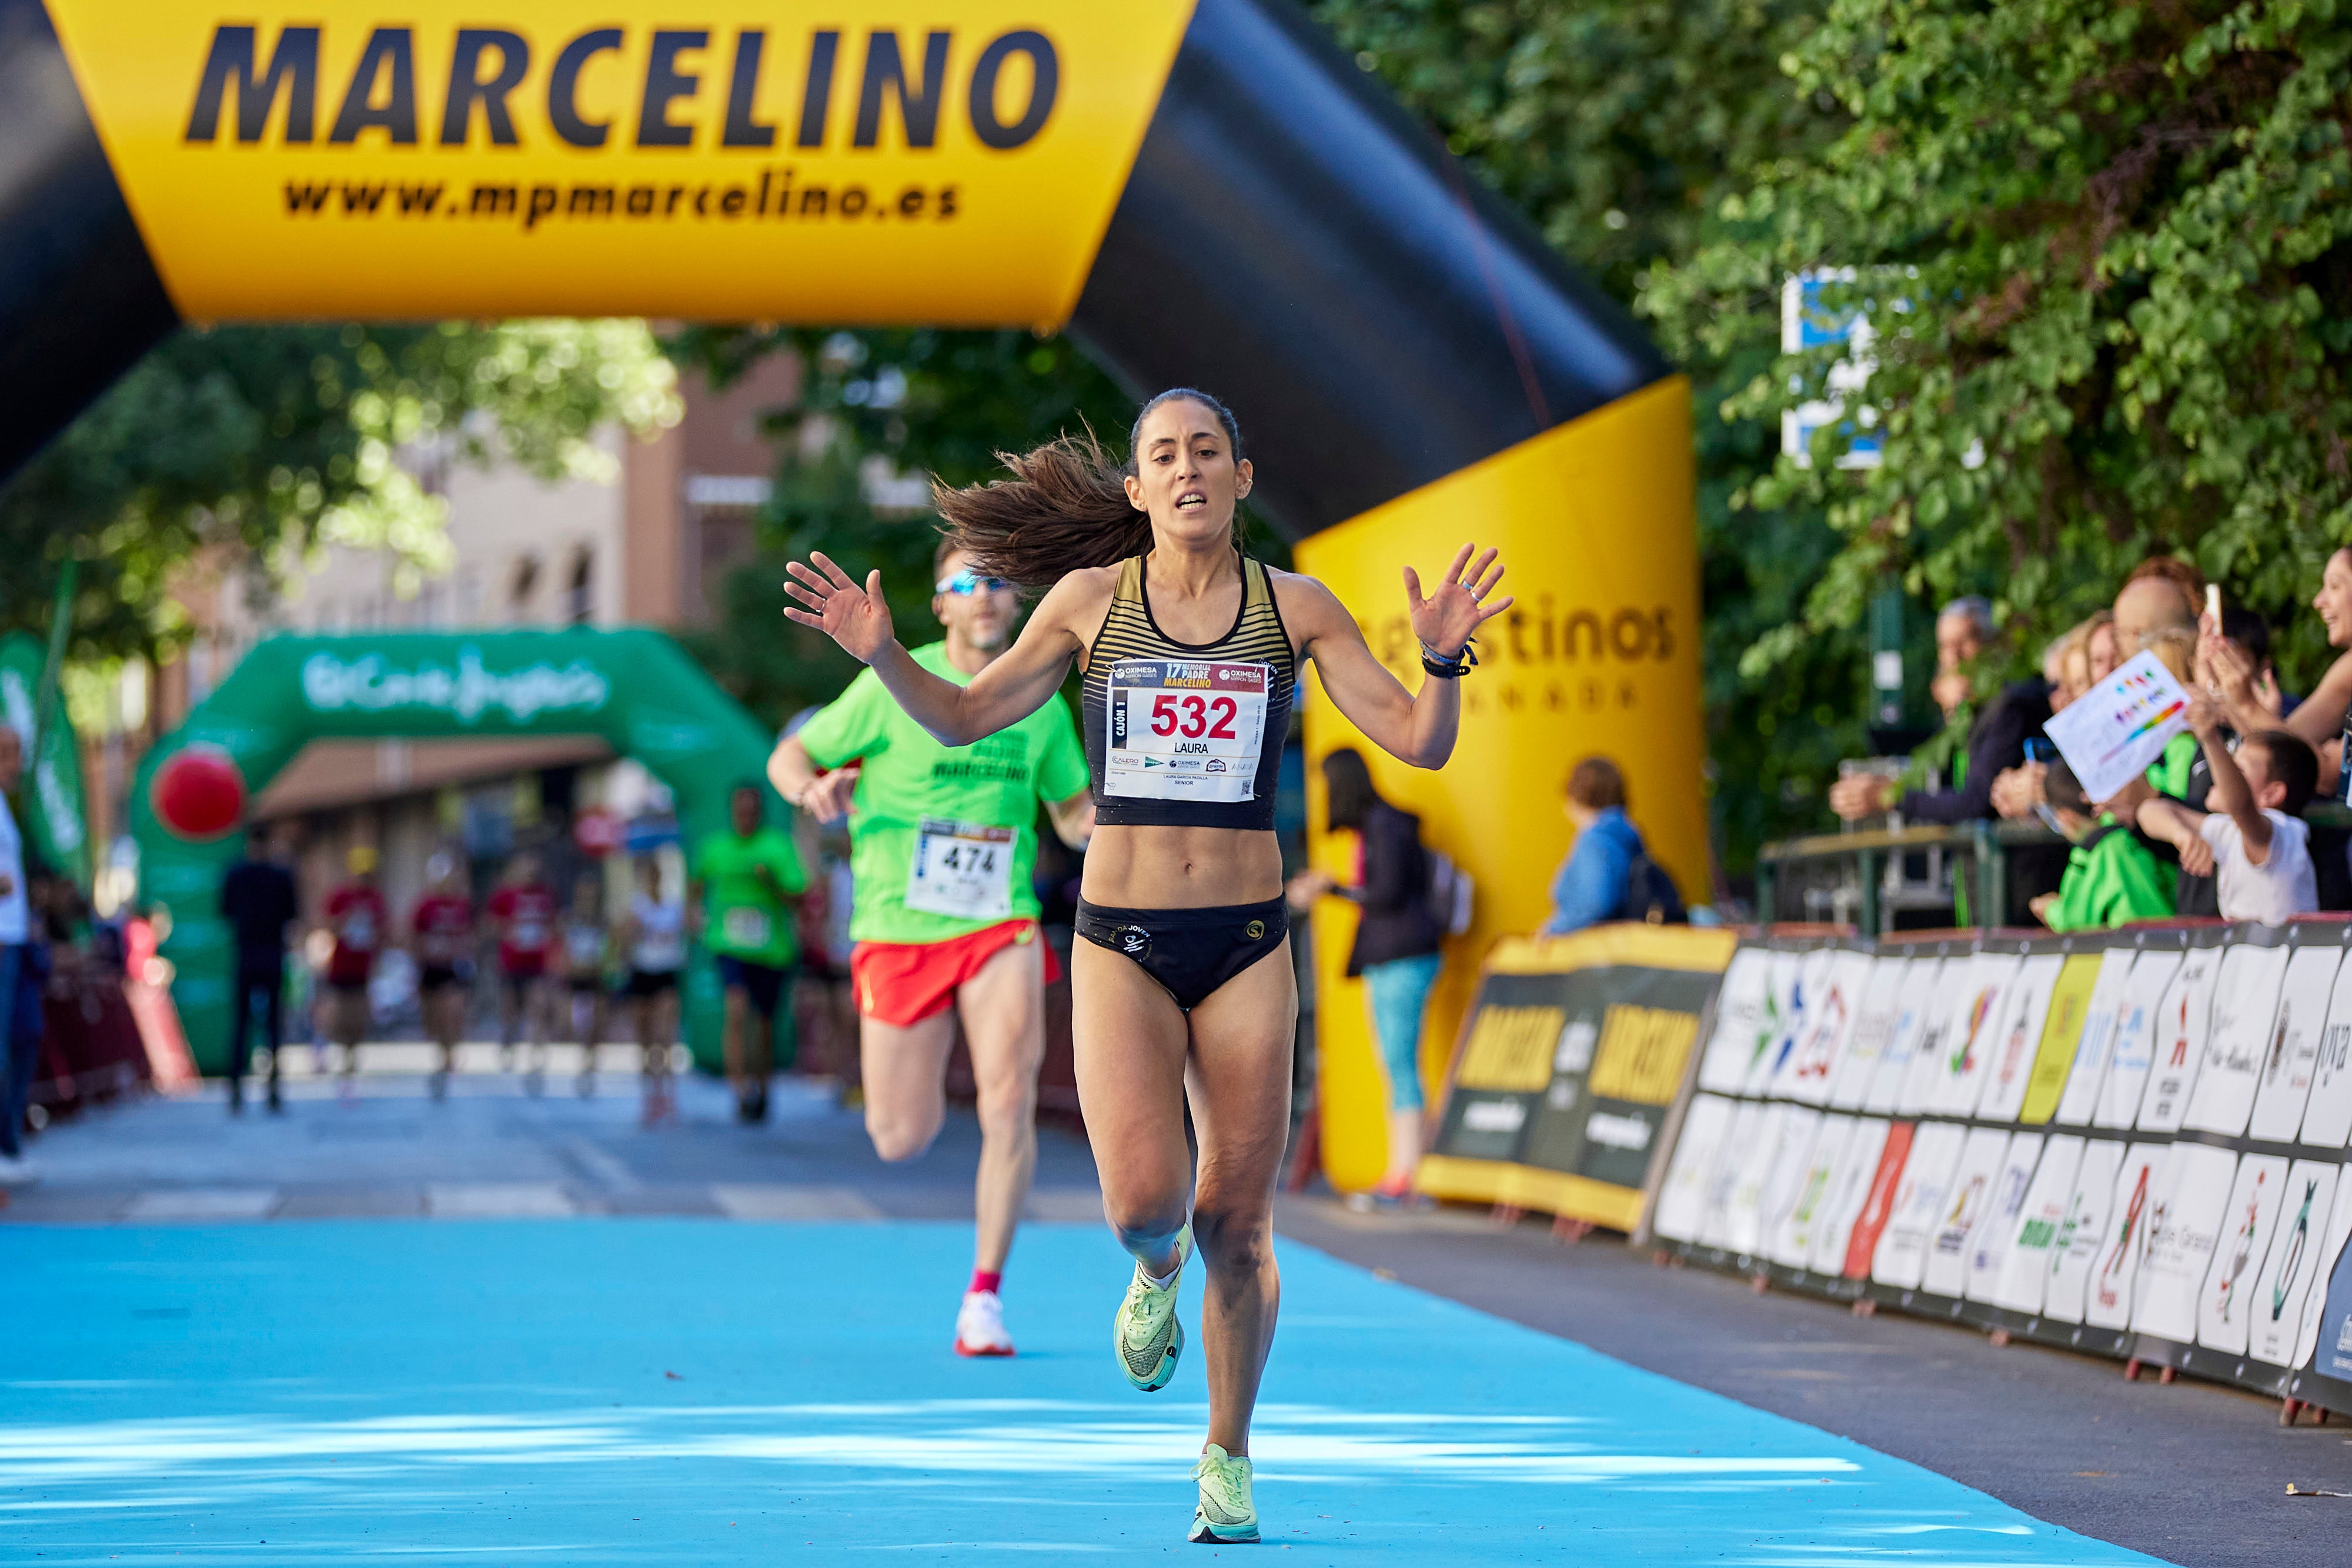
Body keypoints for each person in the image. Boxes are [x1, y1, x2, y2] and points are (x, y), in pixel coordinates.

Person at [781, 388, 1511, 1545]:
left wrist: (1443, 659)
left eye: (1205, 451)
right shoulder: (1086, 602)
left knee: (1242, 1220)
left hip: (1244, 943)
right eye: (1162, 455)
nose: (1184, 470)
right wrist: (879, 657)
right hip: (1119, 938)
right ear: (1135, 489)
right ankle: (1148, 1264)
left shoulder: (1295, 608)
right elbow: (967, 714)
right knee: (1144, 1205)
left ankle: (1226, 1451)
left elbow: (1416, 738)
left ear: (1241, 476)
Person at [770, 540, 1095, 1358]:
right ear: (941, 604)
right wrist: (814, 789)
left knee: (1006, 1097)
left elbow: (1074, 816)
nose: (985, 596)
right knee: (899, 1134)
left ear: (1018, 605)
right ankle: (967, 1257)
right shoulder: (889, 683)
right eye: (965, 583)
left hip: (999, 923)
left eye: (999, 583)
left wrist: (1141, 813)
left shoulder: (1040, 703)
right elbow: (791, 753)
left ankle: (984, 1295)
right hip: (898, 929)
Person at [1286, 748, 1443, 1208]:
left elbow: (1387, 893)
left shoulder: (1384, 826)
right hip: (1402, 957)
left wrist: (1331, 888)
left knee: (1399, 1064)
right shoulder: (1384, 825)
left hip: (1400, 957)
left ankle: (1406, 1174)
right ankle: (1408, 1170)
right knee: (1398, 1063)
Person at [1828, 597, 2051, 824]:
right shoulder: (1968, 713)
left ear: (1994, 644)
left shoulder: (2011, 707)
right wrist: (1955, 717)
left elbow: (1975, 802)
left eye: (1965, 641)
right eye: (1945, 646)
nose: (1954, 657)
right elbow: (1948, 790)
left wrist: (1888, 797)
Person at [2138, 697, 2320, 924]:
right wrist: (2181, 835)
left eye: (2237, 769)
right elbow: (2150, 811)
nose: (2221, 772)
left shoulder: (2280, 833)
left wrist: (2210, 739)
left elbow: (2242, 806)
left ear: (2271, 794)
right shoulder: (2229, 829)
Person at [690, 783, 807, 1122]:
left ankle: (763, 1086)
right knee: (736, 1010)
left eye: (752, 810)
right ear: (732, 812)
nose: (746, 816)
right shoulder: (715, 848)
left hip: (772, 952)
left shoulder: (777, 847)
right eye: (740, 810)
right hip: (729, 947)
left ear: (760, 812)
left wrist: (770, 882)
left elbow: (798, 899)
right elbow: (696, 886)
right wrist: (694, 916)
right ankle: (740, 1091)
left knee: (765, 1027)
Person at [2029, 760, 2176, 931]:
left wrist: (2051, 911)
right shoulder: (2140, 828)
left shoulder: (2091, 853)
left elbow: (2074, 918)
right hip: (2178, 935)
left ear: (2066, 817)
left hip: (2134, 946)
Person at [218, 824, 299, 1114]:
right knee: (272, 1024)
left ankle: (237, 1090)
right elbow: (292, 914)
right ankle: (273, 1089)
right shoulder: (280, 876)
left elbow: (224, 910)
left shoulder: (236, 874)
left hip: (247, 952)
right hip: (271, 952)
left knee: (242, 1023)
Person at [1542, 756, 1665, 934]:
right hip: (1628, 944)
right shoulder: (1627, 832)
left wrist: (1553, 929)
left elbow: (1596, 903)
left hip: (1596, 952)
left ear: (1576, 796)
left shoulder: (1595, 838)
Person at [0, 727, 44, 1186]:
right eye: (9, 754)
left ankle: (9, 1141)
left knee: (24, 1037)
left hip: (15, 940)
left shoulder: (6, 810)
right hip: (3, 942)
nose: (17, 764)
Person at [616, 857, 686, 1126]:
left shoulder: (673, 908)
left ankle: (669, 1095)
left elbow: (688, 932)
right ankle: (649, 1097)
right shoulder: (637, 908)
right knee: (645, 1039)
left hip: (666, 974)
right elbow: (623, 940)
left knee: (665, 1036)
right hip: (642, 973)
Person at [486, 852, 559, 1091]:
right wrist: (509, 931)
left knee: (537, 1008)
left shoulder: (545, 895)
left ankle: (536, 1061)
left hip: (537, 964)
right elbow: (490, 925)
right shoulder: (505, 895)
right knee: (511, 1012)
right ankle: (508, 1040)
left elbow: (553, 925)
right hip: (511, 964)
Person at [320, 845, 387, 1086]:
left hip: (363, 966)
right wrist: (345, 921)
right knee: (339, 1013)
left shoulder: (376, 899)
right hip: (341, 965)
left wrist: (379, 958)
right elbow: (328, 927)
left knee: (359, 1015)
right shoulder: (341, 897)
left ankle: (352, 1056)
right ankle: (332, 1048)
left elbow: (382, 932)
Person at [409, 857, 475, 1100]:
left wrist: (465, 953)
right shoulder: (425, 906)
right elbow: (414, 936)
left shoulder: (461, 906)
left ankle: (449, 1055)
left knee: (453, 1011)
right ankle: (442, 1051)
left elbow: (470, 934)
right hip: (430, 967)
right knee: (434, 1018)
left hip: (454, 967)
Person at [559, 874, 609, 1098]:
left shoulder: (603, 921)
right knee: (578, 1023)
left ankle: (591, 1059)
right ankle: (583, 1059)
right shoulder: (570, 919)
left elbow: (610, 951)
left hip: (596, 975)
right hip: (576, 977)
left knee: (598, 1022)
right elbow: (563, 951)